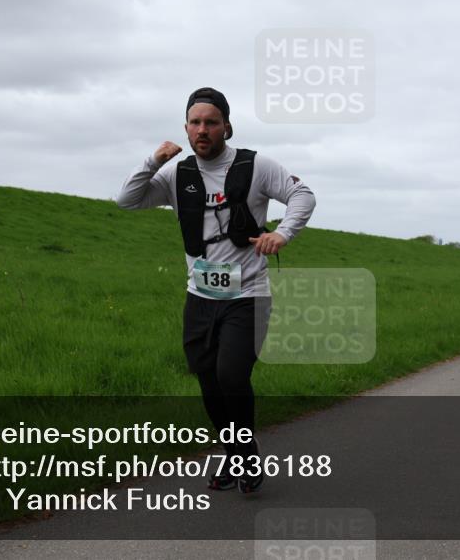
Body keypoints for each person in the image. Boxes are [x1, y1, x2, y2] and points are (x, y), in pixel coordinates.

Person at [116, 87, 315, 494]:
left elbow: (302, 194)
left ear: (227, 126)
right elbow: (127, 200)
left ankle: (244, 455)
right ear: (186, 129)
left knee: (231, 375)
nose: (202, 129)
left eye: (210, 122)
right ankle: (236, 452)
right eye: (194, 122)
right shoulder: (178, 173)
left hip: (248, 294)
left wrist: (283, 233)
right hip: (200, 296)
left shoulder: (255, 165)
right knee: (208, 380)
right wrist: (154, 160)